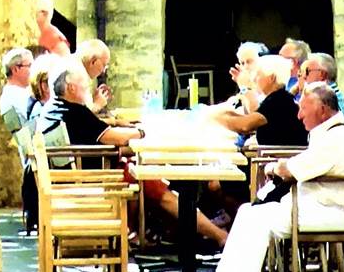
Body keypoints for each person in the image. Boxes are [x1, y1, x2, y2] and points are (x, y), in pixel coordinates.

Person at [207, 82, 344, 272]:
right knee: (247, 210)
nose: (299, 116)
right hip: (309, 206)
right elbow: (304, 163)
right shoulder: (327, 132)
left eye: (303, 109)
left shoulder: (337, 137)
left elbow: (296, 168)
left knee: (258, 218)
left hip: (326, 211)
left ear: (322, 110)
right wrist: (282, 167)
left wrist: (276, 167)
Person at [40, 62, 229, 246]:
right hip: (97, 178)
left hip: (80, 175)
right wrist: (143, 132)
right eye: (84, 84)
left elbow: (99, 133)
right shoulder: (75, 112)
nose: (88, 89)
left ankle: (173, 232)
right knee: (154, 183)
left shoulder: (53, 109)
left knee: (151, 172)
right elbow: (115, 137)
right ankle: (219, 235)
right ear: (71, 88)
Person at [208, 55, 307, 147]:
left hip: (279, 157)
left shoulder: (279, 100)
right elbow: (253, 115)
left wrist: (215, 116)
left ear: (272, 78)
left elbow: (244, 126)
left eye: (258, 75)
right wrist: (226, 113)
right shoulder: (278, 98)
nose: (254, 79)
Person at [0, 47, 38, 232]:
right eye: (30, 65)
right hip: (37, 156)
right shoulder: (17, 96)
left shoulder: (17, 94)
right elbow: (36, 126)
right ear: (16, 69)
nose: (33, 70)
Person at [299, 52, 344, 117]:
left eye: (307, 71)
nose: (304, 76)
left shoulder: (329, 98)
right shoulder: (330, 93)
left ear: (322, 74)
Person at [77, 38, 115, 113]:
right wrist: (97, 105)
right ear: (93, 61)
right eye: (103, 65)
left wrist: (94, 100)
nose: (103, 71)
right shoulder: (75, 75)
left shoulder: (79, 69)